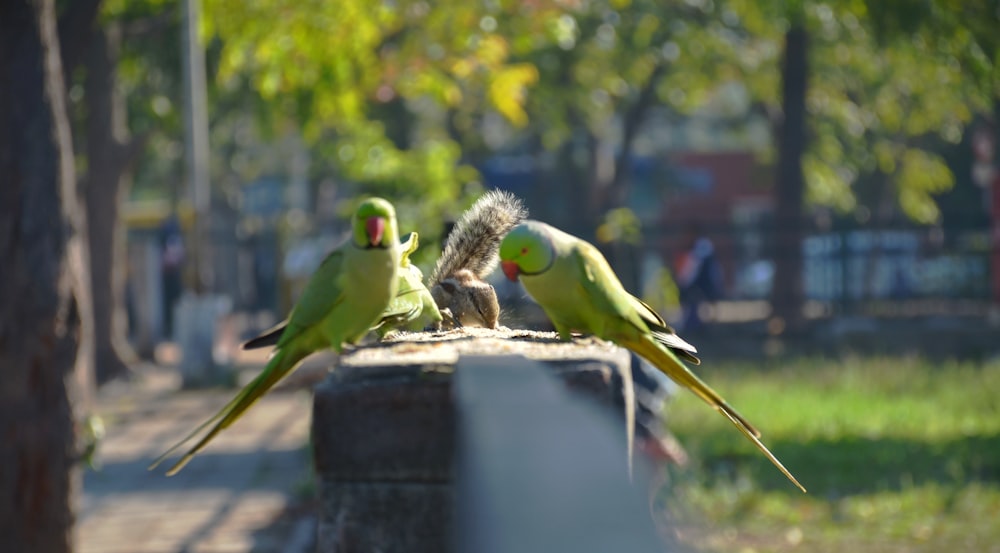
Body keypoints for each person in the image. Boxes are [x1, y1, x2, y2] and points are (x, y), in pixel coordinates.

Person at [674, 224, 723, 332]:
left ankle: (696, 325)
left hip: (704, 283)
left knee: (693, 298)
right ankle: (694, 323)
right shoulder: (696, 248)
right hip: (699, 283)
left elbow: (694, 269)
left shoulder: (703, 248)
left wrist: (684, 283)